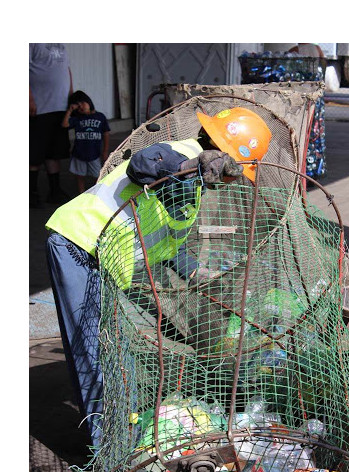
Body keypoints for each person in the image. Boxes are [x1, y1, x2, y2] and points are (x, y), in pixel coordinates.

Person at [45, 107, 272, 448]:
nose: (234, 180)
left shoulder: (194, 189)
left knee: (112, 353)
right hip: (81, 243)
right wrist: (195, 165)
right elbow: (143, 165)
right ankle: (110, 450)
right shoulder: (180, 154)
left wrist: (200, 273)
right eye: (237, 171)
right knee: (96, 352)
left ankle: (118, 436)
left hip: (104, 262)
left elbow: (170, 245)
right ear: (226, 156)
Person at [29, 43, 73, 208]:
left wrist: (71, 94)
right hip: (39, 107)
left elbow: (66, 69)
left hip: (60, 107)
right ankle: (30, 193)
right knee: (35, 152)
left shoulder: (61, 43)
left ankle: (55, 191)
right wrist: (29, 98)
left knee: (54, 152)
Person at [62, 90, 110, 194]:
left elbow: (106, 133)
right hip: (79, 153)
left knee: (97, 176)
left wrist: (105, 151)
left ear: (89, 101)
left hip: (94, 153)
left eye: (83, 103)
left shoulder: (100, 117)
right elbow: (65, 125)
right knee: (80, 175)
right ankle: (81, 193)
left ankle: (97, 194)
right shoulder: (77, 118)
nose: (81, 107)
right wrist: (69, 111)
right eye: (78, 107)